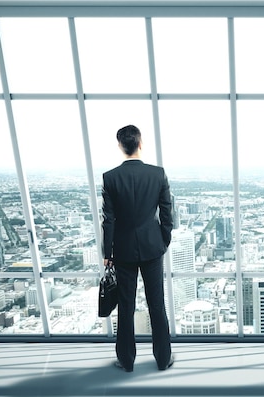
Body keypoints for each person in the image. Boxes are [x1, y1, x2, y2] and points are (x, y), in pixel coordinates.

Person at [101, 124, 174, 372]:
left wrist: (107, 253)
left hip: (122, 250)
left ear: (121, 146)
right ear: (140, 144)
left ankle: (127, 360)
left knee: (126, 305)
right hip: (153, 247)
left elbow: (108, 220)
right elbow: (167, 212)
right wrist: (163, 240)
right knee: (157, 304)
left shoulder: (110, 178)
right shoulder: (157, 173)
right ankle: (163, 359)